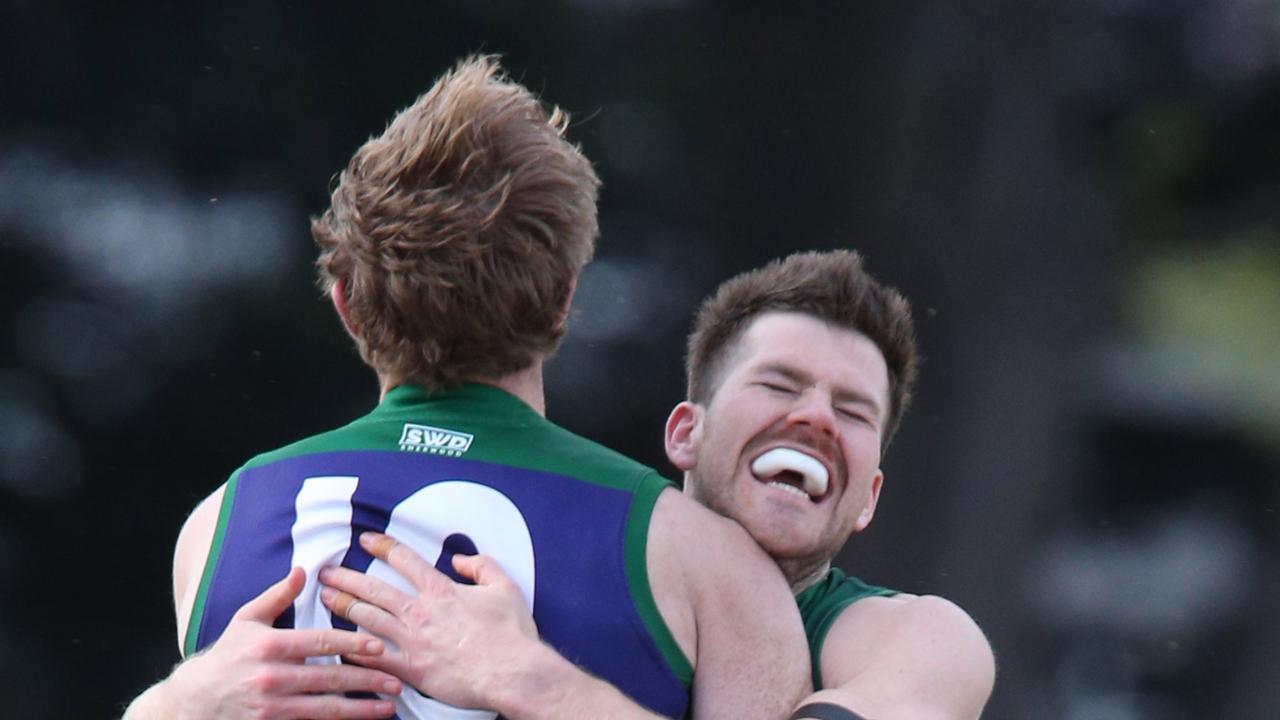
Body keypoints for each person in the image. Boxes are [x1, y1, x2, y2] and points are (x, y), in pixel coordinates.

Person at [121, 55, 811, 720]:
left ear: (346, 308)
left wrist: (170, 706)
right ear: (565, 299)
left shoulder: (221, 523)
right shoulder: (708, 567)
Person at [318, 250, 997, 720]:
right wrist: (206, 691)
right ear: (684, 435)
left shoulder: (919, 639)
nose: (816, 417)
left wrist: (529, 679)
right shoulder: (563, 557)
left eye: (853, 412)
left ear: (869, 497)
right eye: (778, 384)